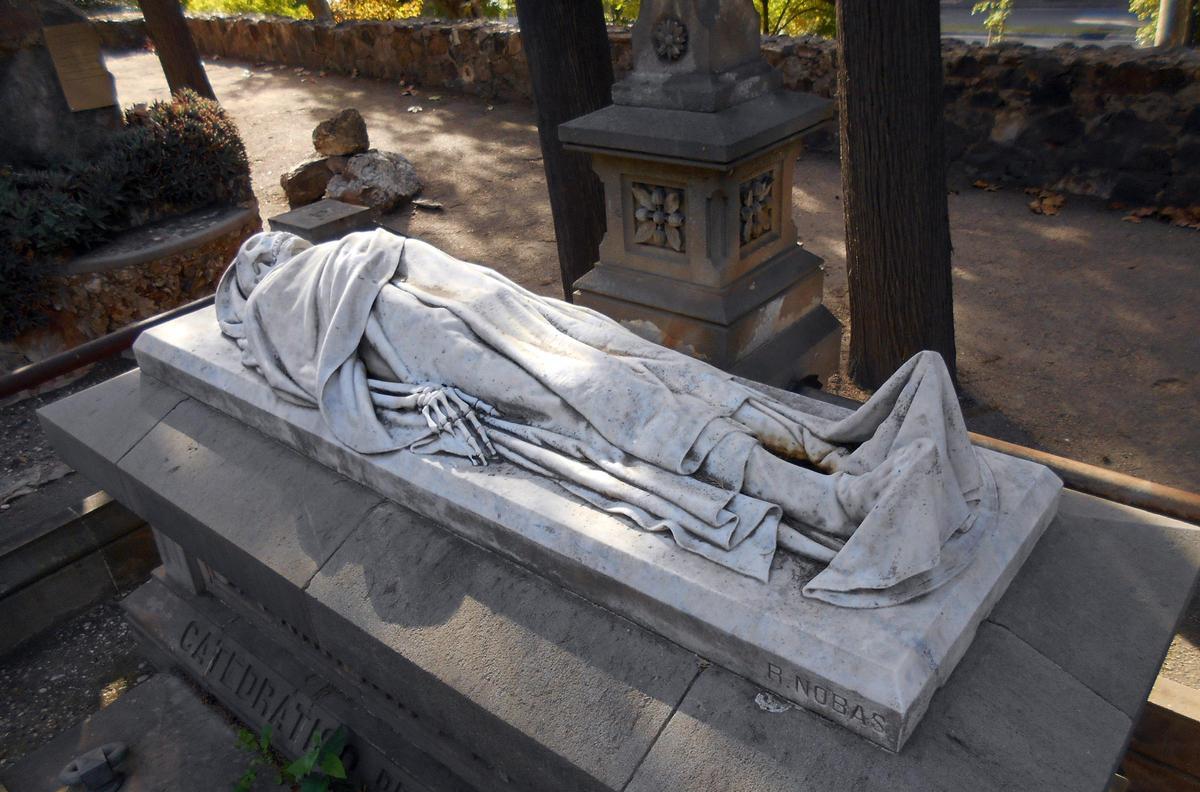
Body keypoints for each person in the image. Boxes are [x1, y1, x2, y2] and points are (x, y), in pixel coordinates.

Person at [216, 229, 995, 608]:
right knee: (613, 409)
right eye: (257, 254)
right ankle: (827, 501)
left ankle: (828, 452)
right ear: (251, 285)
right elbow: (324, 383)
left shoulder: (349, 245)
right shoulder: (278, 304)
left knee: (646, 365)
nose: (272, 243)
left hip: (489, 302)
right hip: (418, 335)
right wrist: (404, 402)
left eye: (270, 241)